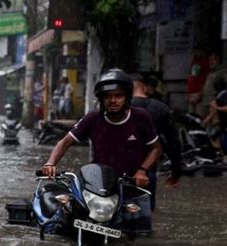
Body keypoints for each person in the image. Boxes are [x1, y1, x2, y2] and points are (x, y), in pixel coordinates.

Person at [41, 69, 162, 230]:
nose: (113, 101)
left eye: (118, 96)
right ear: (101, 99)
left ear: (126, 97)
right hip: (100, 190)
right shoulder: (93, 118)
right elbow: (65, 142)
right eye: (108, 96)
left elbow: (156, 149)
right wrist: (51, 163)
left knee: (140, 237)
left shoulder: (140, 117)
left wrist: (142, 170)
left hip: (132, 187)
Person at [130, 73, 182, 209]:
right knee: (146, 217)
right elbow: (174, 143)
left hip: (118, 172)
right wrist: (176, 173)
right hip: (148, 172)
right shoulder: (160, 108)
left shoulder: (115, 108)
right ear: (145, 87)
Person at [203, 76, 227, 152]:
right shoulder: (219, 97)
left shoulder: (224, 96)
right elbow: (212, 112)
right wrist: (203, 123)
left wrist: (216, 107)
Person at [200, 51, 226, 120]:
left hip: (215, 102)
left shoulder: (222, 71)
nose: (211, 62)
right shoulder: (210, 73)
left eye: (213, 59)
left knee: (215, 122)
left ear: (218, 60)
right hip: (205, 102)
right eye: (209, 60)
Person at [187, 44, 210, 115]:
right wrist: (188, 93)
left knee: (199, 116)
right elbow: (192, 77)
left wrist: (200, 94)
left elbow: (206, 80)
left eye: (198, 51)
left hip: (200, 94)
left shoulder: (206, 62)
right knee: (191, 116)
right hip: (191, 93)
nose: (196, 52)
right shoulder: (195, 61)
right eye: (195, 51)